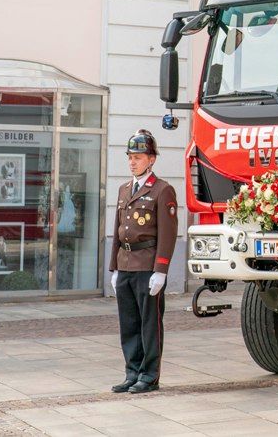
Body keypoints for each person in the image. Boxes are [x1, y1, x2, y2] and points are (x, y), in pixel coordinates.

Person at [109, 130, 178, 394]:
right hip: (125, 264)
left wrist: (160, 270)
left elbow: (168, 233)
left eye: (138, 157)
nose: (132, 162)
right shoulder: (124, 189)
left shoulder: (162, 190)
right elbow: (117, 229)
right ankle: (132, 372)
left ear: (151, 160)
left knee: (149, 324)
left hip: (147, 266)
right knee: (128, 324)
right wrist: (114, 268)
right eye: (130, 157)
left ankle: (149, 375)